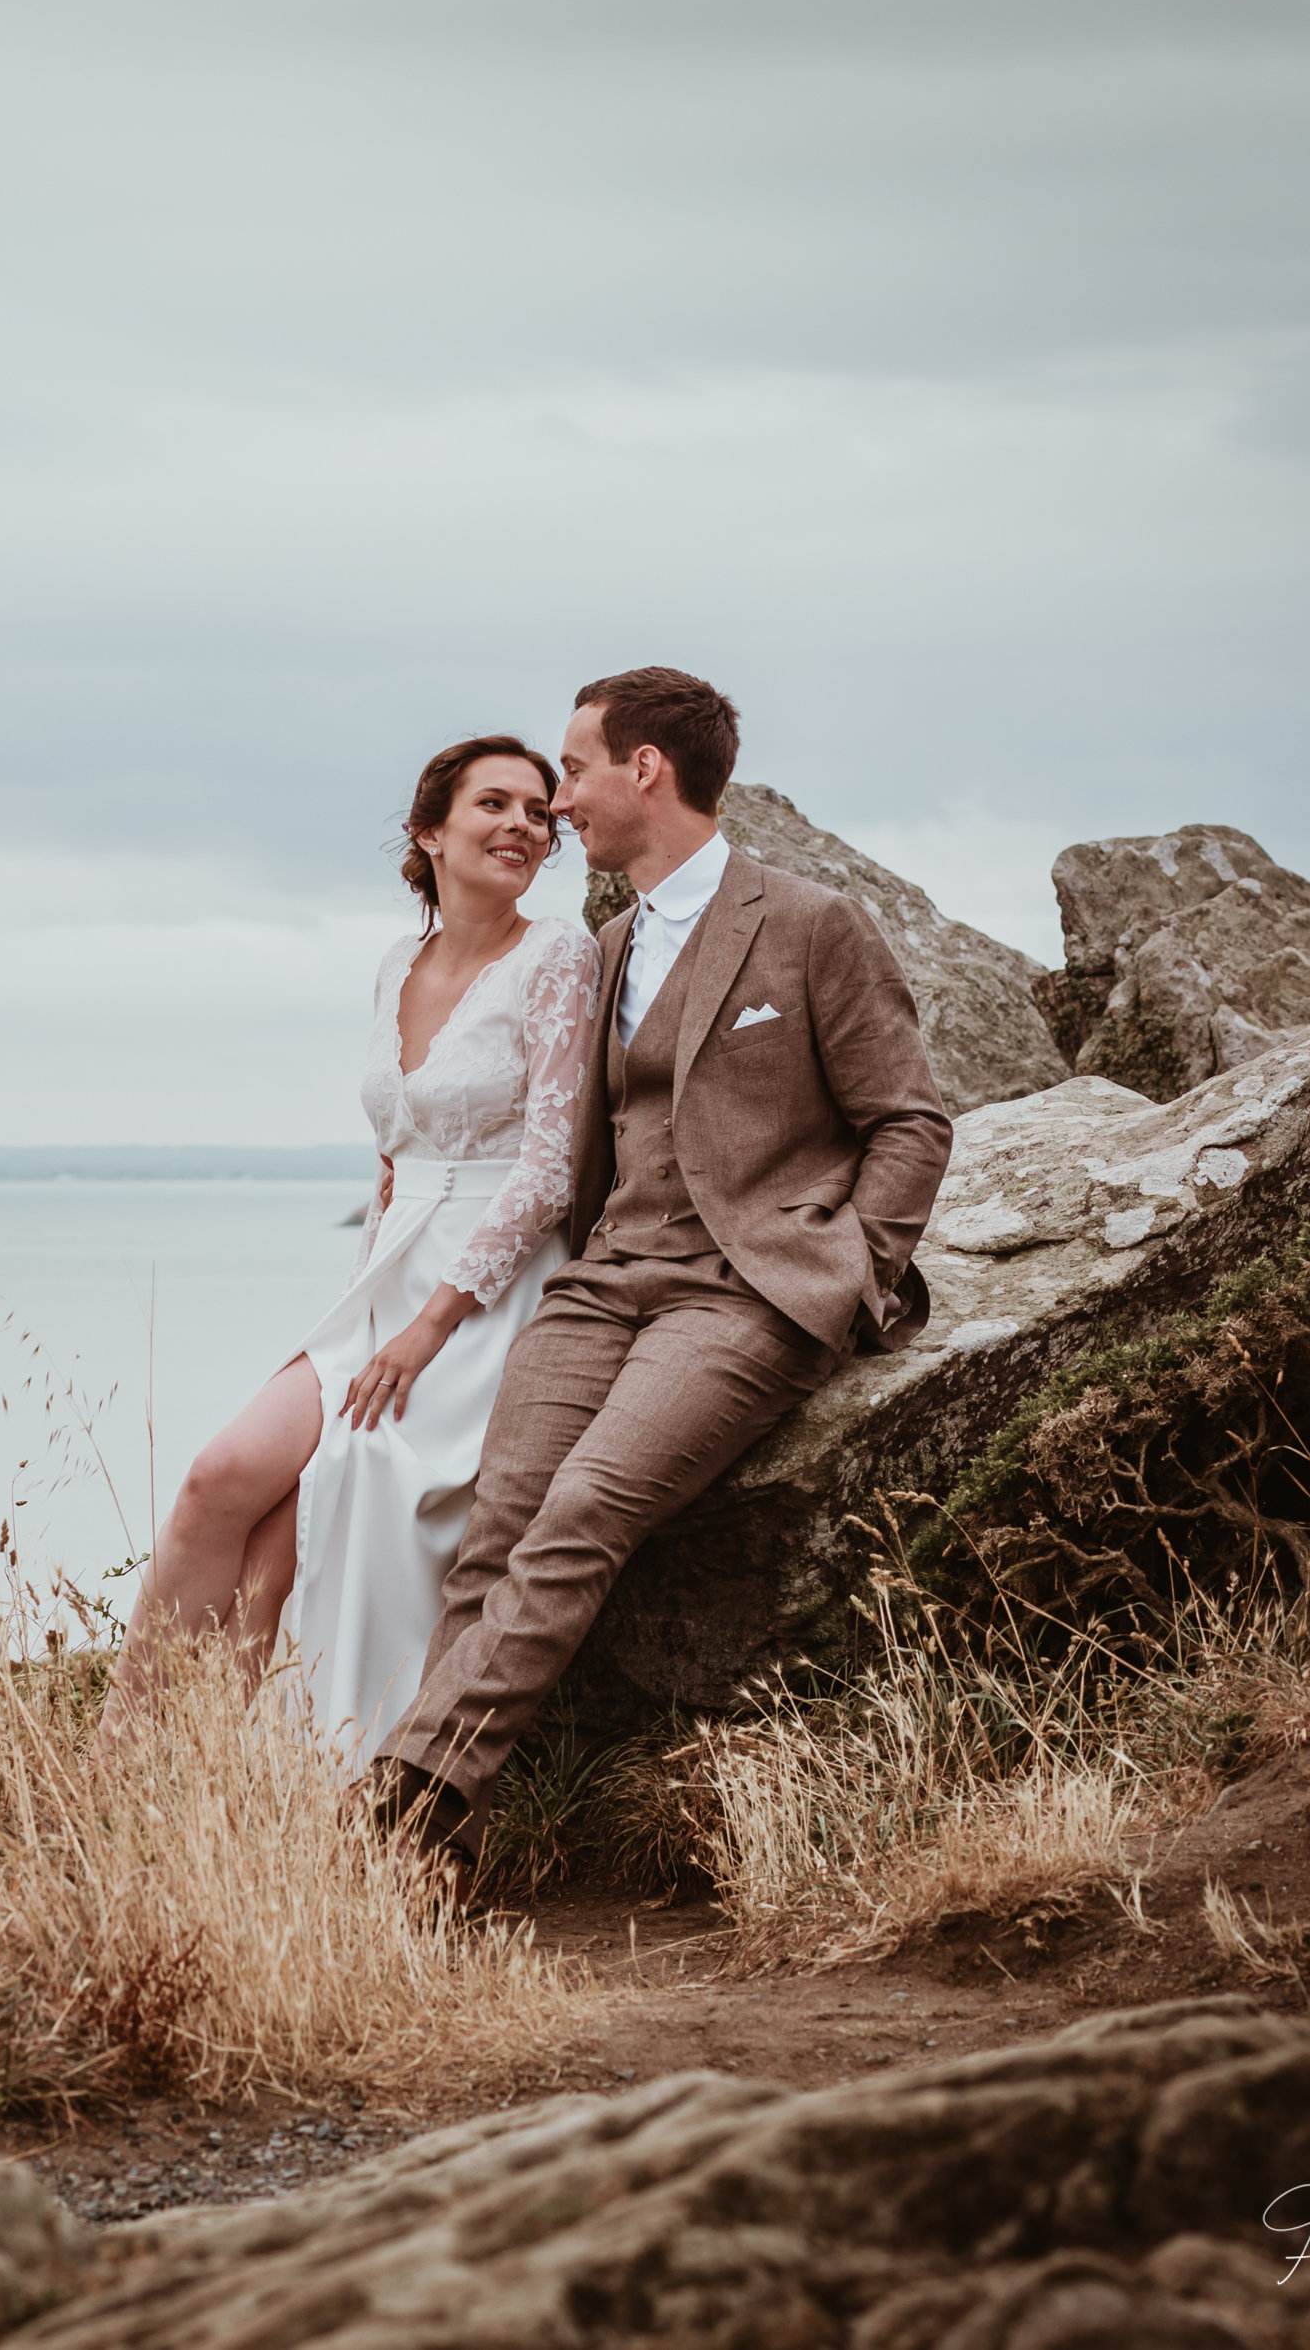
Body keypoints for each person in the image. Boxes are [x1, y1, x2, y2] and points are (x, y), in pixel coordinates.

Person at [362, 668, 955, 1876]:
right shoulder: (605, 945)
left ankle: (405, 1803)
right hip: (608, 1277)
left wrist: (849, 1269)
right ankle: (435, 1853)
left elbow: (911, 1121)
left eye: (573, 772)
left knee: (583, 1517)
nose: (559, 803)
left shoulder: (809, 921)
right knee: (498, 1534)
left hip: (748, 1289)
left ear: (646, 770)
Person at [107, 736, 599, 1772]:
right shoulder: (395, 965)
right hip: (383, 1275)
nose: (523, 823)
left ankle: (294, 1781)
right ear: (430, 830)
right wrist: (376, 1288)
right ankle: (122, 1760)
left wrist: (428, 1330)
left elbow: (551, 1170)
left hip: (487, 1292)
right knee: (218, 1478)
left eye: (538, 812)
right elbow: (395, 1150)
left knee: (331, 1499)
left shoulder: (557, 954)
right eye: (494, 803)